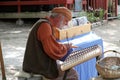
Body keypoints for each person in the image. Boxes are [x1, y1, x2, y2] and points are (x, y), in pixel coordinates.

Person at [22, 7, 78, 80]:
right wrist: (65, 47)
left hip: (36, 63)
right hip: (37, 66)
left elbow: (51, 45)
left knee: (68, 70)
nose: (66, 24)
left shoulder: (45, 24)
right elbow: (52, 50)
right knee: (72, 74)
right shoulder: (45, 26)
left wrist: (64, 46)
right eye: (66, 21)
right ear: (59, 18)